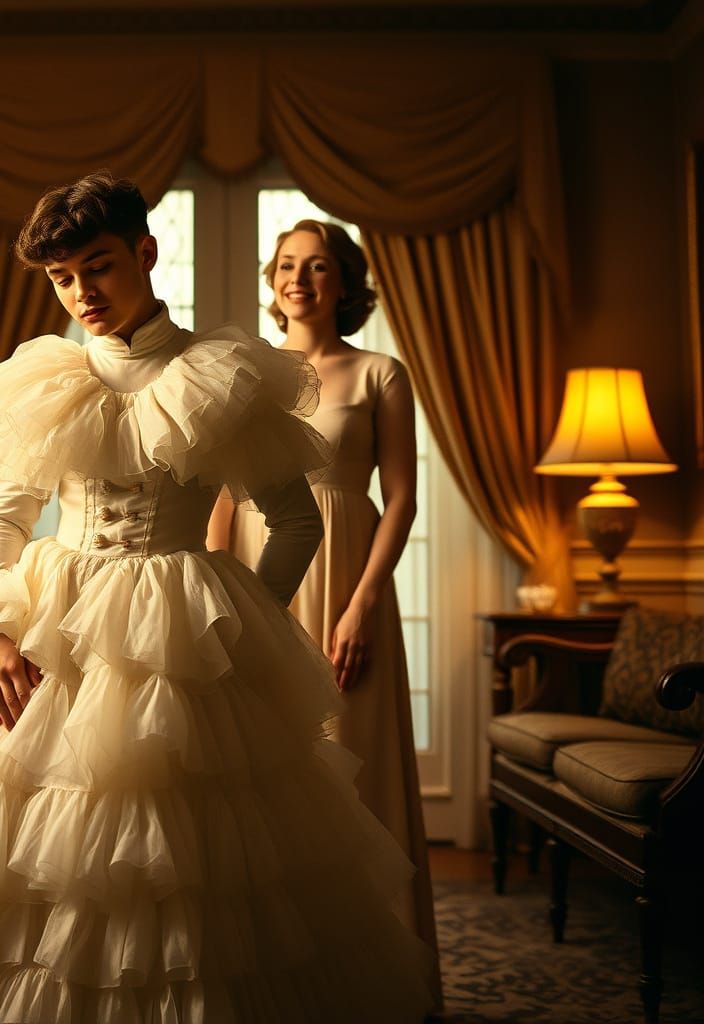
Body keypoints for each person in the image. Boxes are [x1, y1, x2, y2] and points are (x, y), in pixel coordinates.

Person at [0, 176, 437, 1022]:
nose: (81, 293)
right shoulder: (47, 378)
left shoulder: (220, 372)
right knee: (26, 856)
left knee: (187, 864)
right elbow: (5, 517)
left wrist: (248, 615)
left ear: (144, 252)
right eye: (62, 279)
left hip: (180, 631)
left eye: (96, 268)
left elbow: (293, 522)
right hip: (52, 626)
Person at [209, 219, 441, 997]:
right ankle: (272, 981)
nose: (297, 278)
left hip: (346, 577)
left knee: (353, 770)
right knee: (258, 770)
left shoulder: (381, 373)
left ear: (343, 281)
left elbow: (402, 499)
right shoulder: (248, 375)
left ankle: (374, 983)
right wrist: (214, 596)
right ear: (273, 282)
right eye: (285, 265)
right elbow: (221, 496)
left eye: (315, 266)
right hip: (254, 572)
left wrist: (362, 608)